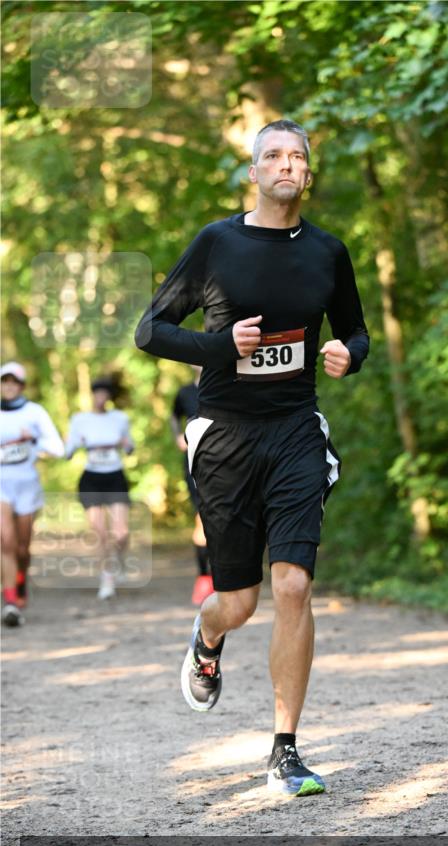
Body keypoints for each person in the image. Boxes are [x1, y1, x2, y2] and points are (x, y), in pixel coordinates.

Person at [135, 119, 369, 796]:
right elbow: (151, 330)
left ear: (308, 172)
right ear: (254, 171)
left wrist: (348, 354)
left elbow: (355, 329)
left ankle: (285, 750)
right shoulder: (217, 243)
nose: (286, 166)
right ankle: (206, 641)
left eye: (297, 157)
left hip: (295, 429)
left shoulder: (328, 251)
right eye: (273, 156)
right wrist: (219, 347)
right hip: (226, 437)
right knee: (236, 603)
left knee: (293, 584)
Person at [1, 361, 64, 626]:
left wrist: (34, 440)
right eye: (5, 381)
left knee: (22, 548)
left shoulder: (34, 412)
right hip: (2, 483)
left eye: (14, 382)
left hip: (27, 484)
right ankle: (11, 602)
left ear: (22, 385)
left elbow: (58, 448)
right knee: (5, 542)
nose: (9, 386)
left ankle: (20, 579)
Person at [64, 375, 134, 600]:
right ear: (92, 395)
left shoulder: (120, 418)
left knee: (121, 532)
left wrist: (126, 444)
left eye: (105, 393)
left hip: (115, 477)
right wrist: (77, 443)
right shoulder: (79, 419)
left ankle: (118, 560)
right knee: (101, 532)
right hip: (91, 479)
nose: (101, 397)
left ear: (109, 397)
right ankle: (107, 580)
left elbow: (130, 447)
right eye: (98, 393)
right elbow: (67, 452)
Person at [170, 365, 215, 605]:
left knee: (220, 520)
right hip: (193, 462)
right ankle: (203, 579)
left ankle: (220, 577)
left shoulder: (220, 386)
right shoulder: (184, 392)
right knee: (201, 517)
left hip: (222, 461)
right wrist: (178, 436)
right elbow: (173, 416)